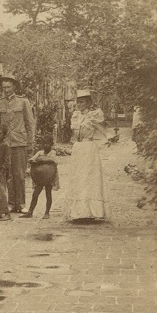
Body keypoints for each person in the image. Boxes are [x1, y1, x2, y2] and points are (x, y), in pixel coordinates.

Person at [64, 90, 110, 221]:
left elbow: (103, 130)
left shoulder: (94, 115)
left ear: (89, 103)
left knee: (89, 177)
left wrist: (109, 137)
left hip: (89, 149)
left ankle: (90, 212)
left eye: (82, 102)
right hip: (78, 148)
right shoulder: (76, 115)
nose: (79, 104)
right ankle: (78, 212)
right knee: (78, 177)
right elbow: (74, 134)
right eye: (78, 101)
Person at [0, 76, 35, 213]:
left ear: (14, 87)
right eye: (3, 87)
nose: (6, 90)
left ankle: (21, 204)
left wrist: (30, 144)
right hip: (5, 145)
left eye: (8, 87)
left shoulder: (23, 102)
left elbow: (30, 124)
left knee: (20, 174)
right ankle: (11, 203)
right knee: (7, 175)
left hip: (19, 142)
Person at [23, 135, 60, 219]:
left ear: (51, 144)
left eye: (48, 144)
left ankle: (47, 212)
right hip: (39, 177)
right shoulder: (40, 153)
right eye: (44, 144)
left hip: (49, 177)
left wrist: (43, 160)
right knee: (35, 194)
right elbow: (31, 160)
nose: (46, 145)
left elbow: (55, 161)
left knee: (48, 194)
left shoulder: (53, 152)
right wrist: (35, 161)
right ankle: (30, 212)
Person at [0, 126, 12, 221]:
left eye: (0, 133)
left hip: (2, 171)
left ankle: (7, 213)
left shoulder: (5, 145)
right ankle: (0, 212)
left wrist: (2, 171)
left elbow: (7, 161)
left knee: (2, 192)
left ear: (4, 135)